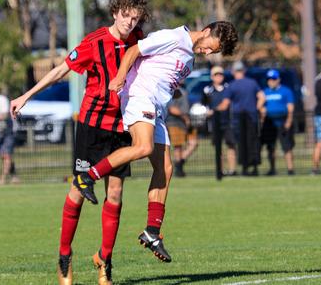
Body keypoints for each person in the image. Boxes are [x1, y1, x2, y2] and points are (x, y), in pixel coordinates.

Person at [10, 0, 149, 285]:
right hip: (92, 125)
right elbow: (61, 69)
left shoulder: (139, 39)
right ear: (115, 13)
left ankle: (105, 261)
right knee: (78, 190)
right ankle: (64, 256)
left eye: (135, 18)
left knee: (115, 193)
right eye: (126, 15)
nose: (129, 22)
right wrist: (27, 95)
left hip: (123, 125)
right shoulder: (94, 42)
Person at [71, 21, 238, 264]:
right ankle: (88, 176)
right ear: (206, 32)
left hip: (157, 108)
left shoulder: (189, 59)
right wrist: (119, 77)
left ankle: (152, 231)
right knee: (143, 147)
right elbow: (134, 51)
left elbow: (162, 74)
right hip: (140, 98)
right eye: (212, 46)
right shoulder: (174, 37)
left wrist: (174, 91)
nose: (210, 52)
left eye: (215, 51)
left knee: (166, 168)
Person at [216, 61, 265, 176]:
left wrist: (214, 110)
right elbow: (262, 97)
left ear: (233, 71)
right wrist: (256, 108)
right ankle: (254, 167)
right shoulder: (252, 83)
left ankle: (244, 168)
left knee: (241, 143)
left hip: (238, 119)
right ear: (244, 71)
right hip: (252, 117)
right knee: (253, 141)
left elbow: (225, 104)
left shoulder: (232, 85)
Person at [259, 69, 295, 176]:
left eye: (273, 79)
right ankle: (272, 169)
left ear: (278, 79)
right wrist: (262, 113)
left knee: (287, 147)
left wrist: (289, 121)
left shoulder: (286, 91)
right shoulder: (265, 92)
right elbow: (260, 106)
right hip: (269, 123)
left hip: (282, 122)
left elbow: (290, 108)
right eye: (269, 79)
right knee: (271, 147)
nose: (271, 81)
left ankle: (290, 169)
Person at [202, 66, 236, 175]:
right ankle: (220, 170)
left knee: (231, 145)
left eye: (220, 74)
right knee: (218, 147)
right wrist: (207, 113)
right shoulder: (207, 90)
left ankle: (232, 170)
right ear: (212, 77)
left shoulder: (228, 88)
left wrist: (215, 110)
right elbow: (203, 105)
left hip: (228, 122)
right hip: (214, 123)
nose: (219, 77)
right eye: (216, 75)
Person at [166, 84, 198, 177]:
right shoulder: (171, 90)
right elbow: (171, 108)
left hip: (187, 121)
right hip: (174, 122)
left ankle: (179, 163)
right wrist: (184, 117)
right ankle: (179, 170)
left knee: (194, 143)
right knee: (178, 146)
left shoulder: (184, 90)